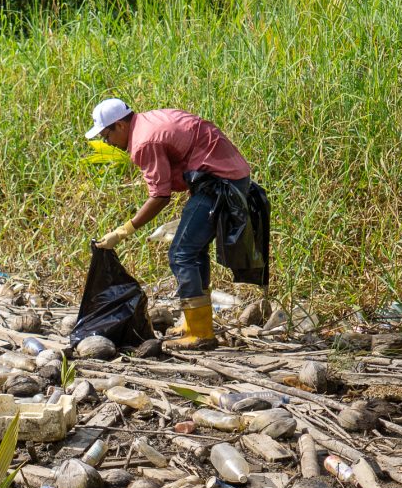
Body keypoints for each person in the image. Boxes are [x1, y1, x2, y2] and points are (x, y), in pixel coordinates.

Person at [86, 98, 269, 350]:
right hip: (227, 175)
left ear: (119, 125)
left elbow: (160, 196)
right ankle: (195, 324)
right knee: (194, 251)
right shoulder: (148, 121)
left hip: (219, 182)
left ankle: (200, 333)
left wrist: (123, 231)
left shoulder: (143, 141)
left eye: (106, 136)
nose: (107, 143)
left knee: (181, 254)